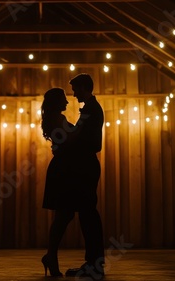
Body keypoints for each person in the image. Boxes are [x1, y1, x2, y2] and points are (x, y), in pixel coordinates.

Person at [64, 73, 105, 280]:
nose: (73, 94)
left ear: (84, 88)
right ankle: (94, 263)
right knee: (88, 213)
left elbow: (80, 136)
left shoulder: (90, 109)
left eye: (75, 89)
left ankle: (94, 264)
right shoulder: (90, 108)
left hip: (87, 165)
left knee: (88, 214)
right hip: (87, 164)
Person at [40, 87, 78, 277]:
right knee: (64, 214)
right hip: (62, 170)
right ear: (56, 102)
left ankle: (51, 255)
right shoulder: (57, 121)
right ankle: (51, 255)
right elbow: (69, 142)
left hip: (63, 168)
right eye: (64, 99)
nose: (67, 102)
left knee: (64, 214)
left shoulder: (54, 119)